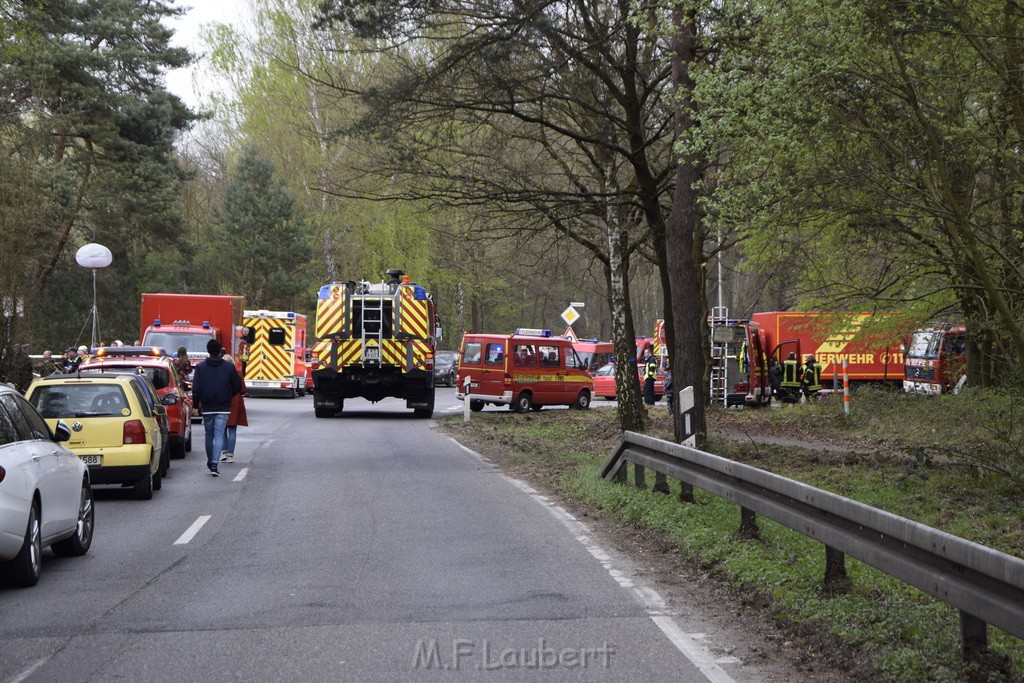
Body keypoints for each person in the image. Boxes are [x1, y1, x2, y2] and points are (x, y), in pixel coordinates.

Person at [191, 338, 242, 477]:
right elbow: (237, 386)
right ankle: (215, 463)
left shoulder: (201, 367)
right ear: (220, 350)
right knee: (219, 435)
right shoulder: (228, 367)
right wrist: (228, 395)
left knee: (209, 435)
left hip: (207, 407)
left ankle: (210, 460)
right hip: (223, 407)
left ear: (208, 350)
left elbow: (196, 389)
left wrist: (196, 406)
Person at [220, 353, 248, 463]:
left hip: (223, 402)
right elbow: (243, 390)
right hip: (235, 403)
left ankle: (224, 453)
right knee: (232, 429)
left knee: (222, 429)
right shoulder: (238, 374)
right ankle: (231, 455)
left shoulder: (220, 375)